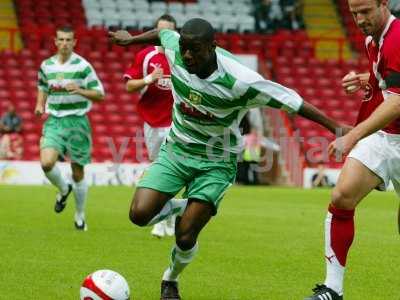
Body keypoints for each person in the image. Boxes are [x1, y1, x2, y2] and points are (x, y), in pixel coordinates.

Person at [109, 18, 348, 300]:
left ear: (212, 47)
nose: (187, 56)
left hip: (216, 161)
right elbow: (163, 34)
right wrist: (131, 39)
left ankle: (170, 279)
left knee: (185, 235)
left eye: (195, 50)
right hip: (177, 150)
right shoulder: (176, 50)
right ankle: (180, 207)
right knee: (138, 215)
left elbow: (291, 100)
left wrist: (337, 128)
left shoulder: (240, 81)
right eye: (184, 48)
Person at [305, 1, 400, 299]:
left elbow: (397, 101)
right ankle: (332, 289)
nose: (359, 19)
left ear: (383, 3)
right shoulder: (374, 37)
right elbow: (388, 82)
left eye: (366, 11)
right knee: (342, 196)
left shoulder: (398, 37)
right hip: (386, 138)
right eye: (354, 13)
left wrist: (352, 136)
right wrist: (365, 80)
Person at [36, 26, 105, 231]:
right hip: (55, 121)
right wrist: (40, 104)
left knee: (78, 173)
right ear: (55, 41)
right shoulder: (46, 65)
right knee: (47, 163)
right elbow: (42, 86)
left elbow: (100, 94)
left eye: (68, 40)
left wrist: (81, 90)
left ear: (74, 42)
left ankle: (80, 214)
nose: (64, 43)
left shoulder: (83, 66)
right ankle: (63, 189)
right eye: (61, 39)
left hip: (77, 122)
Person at [123, 14, 180, 239]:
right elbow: (129, 86)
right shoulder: (146, 56)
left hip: (176, 124)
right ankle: (168, 218)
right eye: (160, 30)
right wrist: (149, 79)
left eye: (169, 31)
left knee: (171, 169)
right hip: (152, 123)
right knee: (158, 168)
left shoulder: (183, 57)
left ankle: (165, 221)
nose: (164, 35)